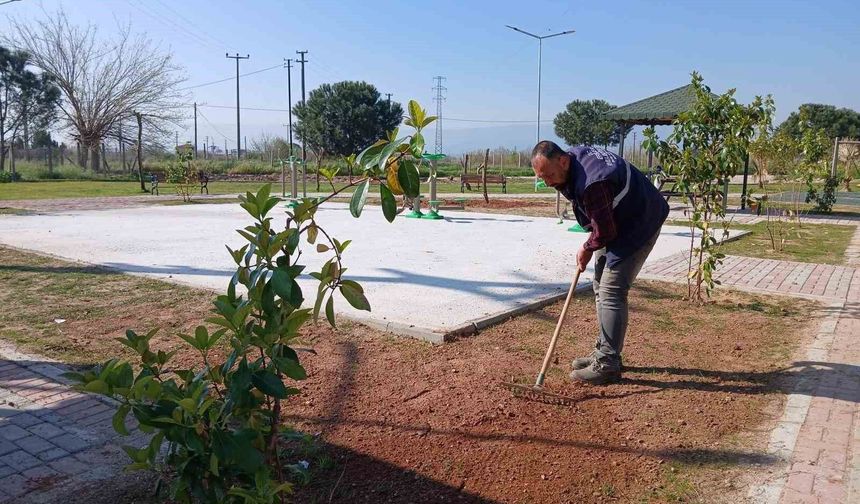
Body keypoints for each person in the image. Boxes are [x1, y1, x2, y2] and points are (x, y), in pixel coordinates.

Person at [530, 141, 669, 384]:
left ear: (563, 161)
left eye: (550, 175)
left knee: (612, 290)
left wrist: (586, 247)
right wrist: (592, 240)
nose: (549, 182)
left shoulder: (593, 182)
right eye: (542, 178)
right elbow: (600, 221)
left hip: (640, 221)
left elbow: (604, 231)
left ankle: (608, 364)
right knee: (599, 285)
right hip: (618, 219)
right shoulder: (572, 161)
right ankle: (605, 350)